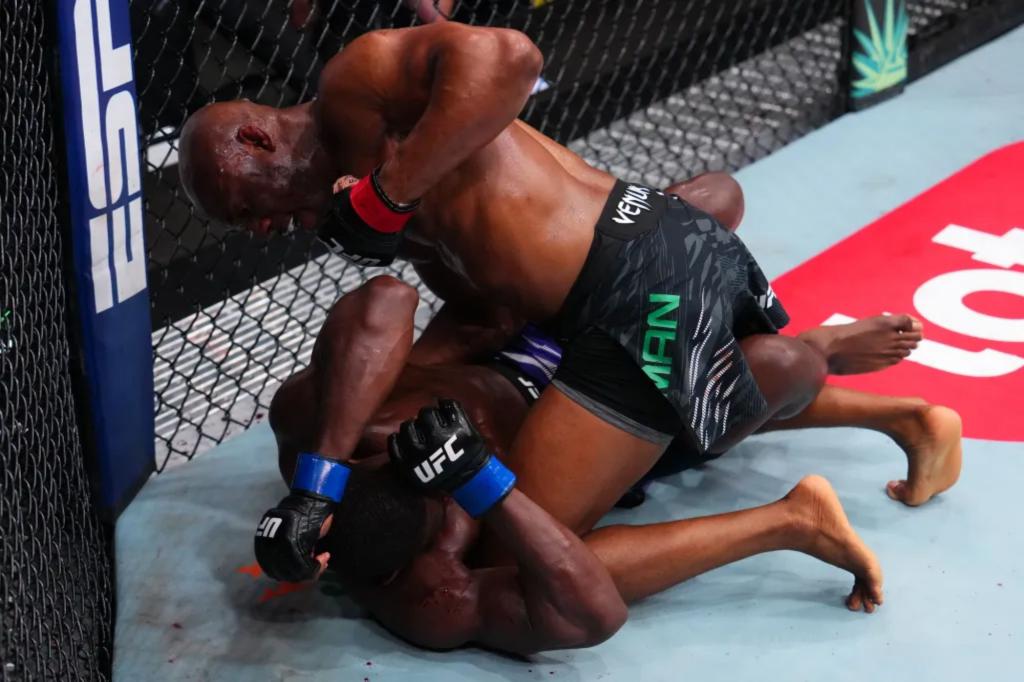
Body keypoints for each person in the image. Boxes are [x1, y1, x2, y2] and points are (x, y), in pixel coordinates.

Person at [177, 22, 962, 586]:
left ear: (255, 140)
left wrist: (390, 194)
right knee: (689, 408)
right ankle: (894, 407)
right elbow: (485, 308)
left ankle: (795, 519)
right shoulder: (375, 198)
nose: (263, 229)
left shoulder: (352, 87)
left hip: (635, 289)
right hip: (631, 270)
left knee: (521, 555)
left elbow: (511, 56)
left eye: (245, 208)